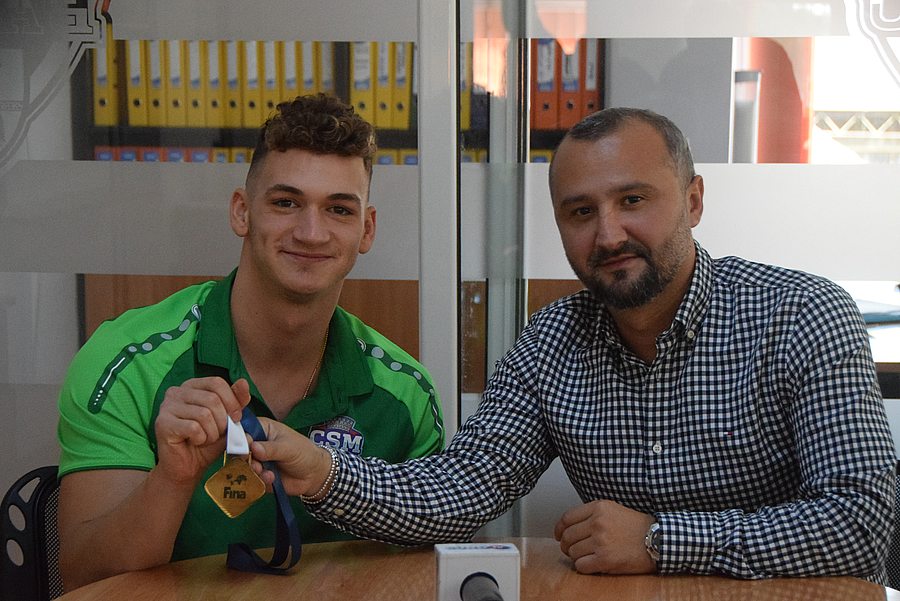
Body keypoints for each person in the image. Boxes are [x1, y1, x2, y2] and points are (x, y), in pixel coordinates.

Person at [249, 107, 896, 581]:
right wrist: (322, 470)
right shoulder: (551, 343)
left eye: (633, 200)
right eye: (581, 212)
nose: (608, 234)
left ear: (694, 201)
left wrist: (660, 541)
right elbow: (460, 491)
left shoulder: (803, 315)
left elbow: (861, 522)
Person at [55, 93, 445, 590]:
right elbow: (82, 577)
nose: (311, 232)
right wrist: (172, 478)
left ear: (366, 231)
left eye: (338, 210)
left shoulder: (407, 394)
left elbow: (427, 575)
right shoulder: (125, 364)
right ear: (242, 213)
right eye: (286, 203)